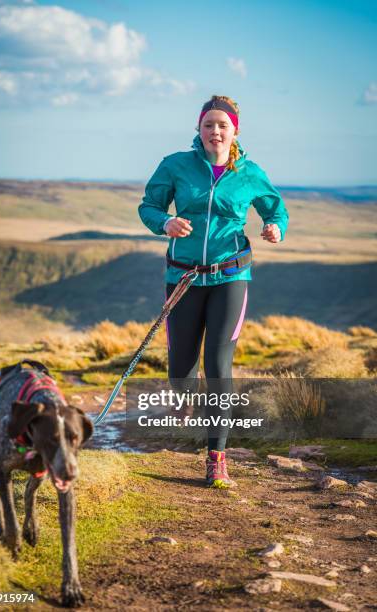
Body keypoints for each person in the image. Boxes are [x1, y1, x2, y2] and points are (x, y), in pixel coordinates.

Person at [138, 95, 289, 487]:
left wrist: (275, 228)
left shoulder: (249, 172)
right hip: (184, 276)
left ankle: (216, 458)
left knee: (218, 365)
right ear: (199, 128)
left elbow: (276, 209)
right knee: (181, 369)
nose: (215, 131)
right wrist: (165, 223)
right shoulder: (175, 165)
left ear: (235, 130)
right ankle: (186, 404)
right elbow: (148, 207)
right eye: (209, 124)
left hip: (230, 275)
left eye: (223, 125)